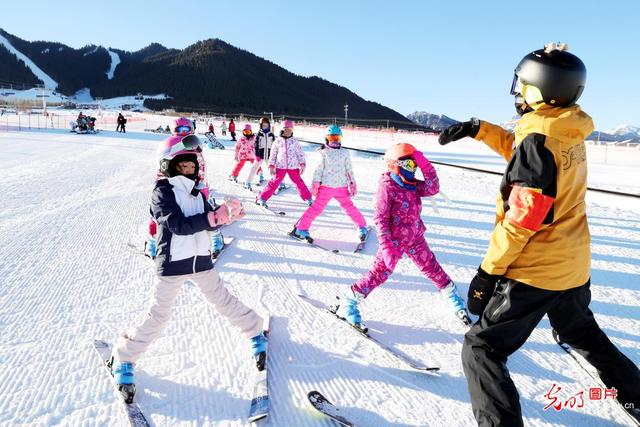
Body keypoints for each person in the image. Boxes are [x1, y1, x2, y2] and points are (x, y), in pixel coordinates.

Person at [437, 43, 640, 426]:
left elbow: (521, 220)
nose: (516, 91)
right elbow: (525, 155)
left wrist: (488, 272)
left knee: (480, 348)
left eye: (522, 84)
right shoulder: (565, 126)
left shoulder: (539, 138)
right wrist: (481, 130)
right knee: (582, 332)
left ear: (541, 89)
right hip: (572, 264)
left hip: (536, 271)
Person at [110, 134, 267, 403]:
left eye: (193, 165)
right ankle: (123, 358)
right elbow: (178, 225)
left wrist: (225, 216)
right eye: (183, 165)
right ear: (169, 165)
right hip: (172, 264)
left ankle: (255, 330)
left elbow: (207, 222)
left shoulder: (198, 193)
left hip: (201, 262)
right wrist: (211, 217)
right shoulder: (162, 192)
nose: (189, 169)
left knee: (224, 301)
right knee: (158, 317)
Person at [331, 142, 470, 331]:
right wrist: (387, 245)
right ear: (394, 166)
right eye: (409, 165)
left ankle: (449, 292)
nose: (413, 170)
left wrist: (425, 165)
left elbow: (433, 188)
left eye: (415, 165)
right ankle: (348, 301)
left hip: (415, 237)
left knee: (431, 266)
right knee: (380, 273)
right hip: (394, 240)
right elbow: (380, 218)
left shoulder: (412, 185)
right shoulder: (387, 187)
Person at [145, 117, 225, 259]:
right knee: (158, 214)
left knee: (208, 211)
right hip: (173, 186)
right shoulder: (168, 145)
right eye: (180, 129)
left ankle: (216, 237)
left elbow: (201, 168)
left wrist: (201, 186)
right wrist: (160, 186)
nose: (183, 132)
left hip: (194, 185)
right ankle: (152, 240)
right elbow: (161, 168)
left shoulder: (194, 146)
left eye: (186, 129)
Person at [292, 125, 368, 242]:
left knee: (349, 207)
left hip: (341, 188)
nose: (335, 141)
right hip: (325, 188)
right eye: (332, 138)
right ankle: (301, 228)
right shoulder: (322, 153)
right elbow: (318, 170)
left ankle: (362, 227)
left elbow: (349, 170)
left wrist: (352, 184)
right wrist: (315, 185)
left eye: (337, 138)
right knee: (316, 208)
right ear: (326, 138)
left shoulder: (345, 153)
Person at [256, 120, 312, 207]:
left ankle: (308, 198)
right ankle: (262, 198)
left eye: (290, 130)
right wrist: (271, 165)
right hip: (280, 166)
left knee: (299, 183)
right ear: (282, 130)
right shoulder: (277, 141)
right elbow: (273, 154)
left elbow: (300, 153)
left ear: (292, 131)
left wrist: (302, 164)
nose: (287, 132)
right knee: (274, 182)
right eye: (285, 130)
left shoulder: (295, 141)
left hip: (293, 167)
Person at [245, 117, 274, 190]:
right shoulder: (259, 134)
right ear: (261, 126)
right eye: (263, 125)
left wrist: (274, 155)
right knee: (254, 168)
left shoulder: (271, 135)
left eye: (266, 125)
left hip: (269, 156)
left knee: (273, 170)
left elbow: (274, 145)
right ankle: (248, 182)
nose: (265, 127)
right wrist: (257, 155)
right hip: (260, 155)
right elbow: (256, 145)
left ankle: (279, 184)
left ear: (269, 125)